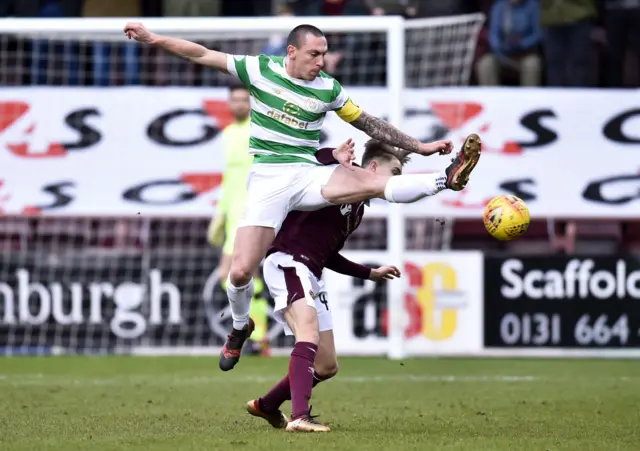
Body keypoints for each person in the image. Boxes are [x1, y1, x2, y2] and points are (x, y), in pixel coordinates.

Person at [123, 22, 481, 372]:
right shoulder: (260, 69)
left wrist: (420, 146)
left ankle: (445, 178)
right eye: (314, 54)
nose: (321, 61)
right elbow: (201, 54)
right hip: (268, 179)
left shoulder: (328, 89)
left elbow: (370, 124)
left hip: (307, 173)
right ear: (291, 52)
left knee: (372, 183)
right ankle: (239, 326)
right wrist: (153, 39)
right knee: (240, 271)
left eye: (324, 54)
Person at [246, 139, 407, 432]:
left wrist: (370, 274)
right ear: (372, 167)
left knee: (326, 365)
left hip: (311, 271)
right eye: (394, 172)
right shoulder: (338, 174)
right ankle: (299, 417)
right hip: (288, 262)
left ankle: (267, 405)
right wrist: (331, 155)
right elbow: (303, 164)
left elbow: (328, 253)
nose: (396, 181)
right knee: (307, 333)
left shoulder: (357, 209)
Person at [207, 82, 271, 356]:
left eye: (244, 100)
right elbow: (229, 178)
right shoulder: (228, 134)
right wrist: (220, 212)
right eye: (235, 99)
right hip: (232, 213)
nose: (239, 104)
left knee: (235, 273)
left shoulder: (259, 132)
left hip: (251, 211)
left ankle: (257, 333)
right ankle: (256, 333)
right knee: (237, 275)